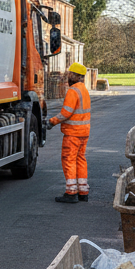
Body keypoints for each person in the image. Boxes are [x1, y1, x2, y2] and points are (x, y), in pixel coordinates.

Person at [49, 62, 91, 204]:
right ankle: (83, 191)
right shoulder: (84, 90)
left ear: (75, 76)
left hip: (73, 133)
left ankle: (71, 192)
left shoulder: (73, 91)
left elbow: (66, 113)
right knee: (80, 159)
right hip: (84, 132)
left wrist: (52, 121)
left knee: (69, 160)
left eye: (70, 74)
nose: (68, 76)